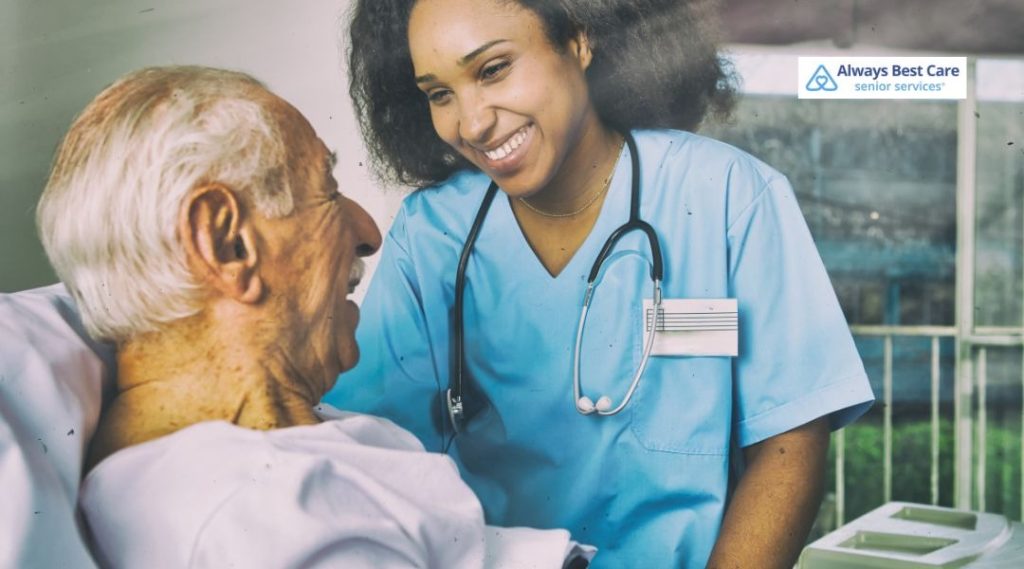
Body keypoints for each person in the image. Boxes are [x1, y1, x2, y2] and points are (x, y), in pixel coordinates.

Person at [323, 0, 875, 567]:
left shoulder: (726, 195)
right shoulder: (434, 234)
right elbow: (372, 448)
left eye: (493, 70)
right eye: (440, 94)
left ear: (579, 41)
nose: (472, 122)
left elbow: (790, 442)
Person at [37, 65, 592, 568]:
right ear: (226, 244)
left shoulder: (252, 455)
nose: (369, 234)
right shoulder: (261, 521)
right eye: (327, 192)